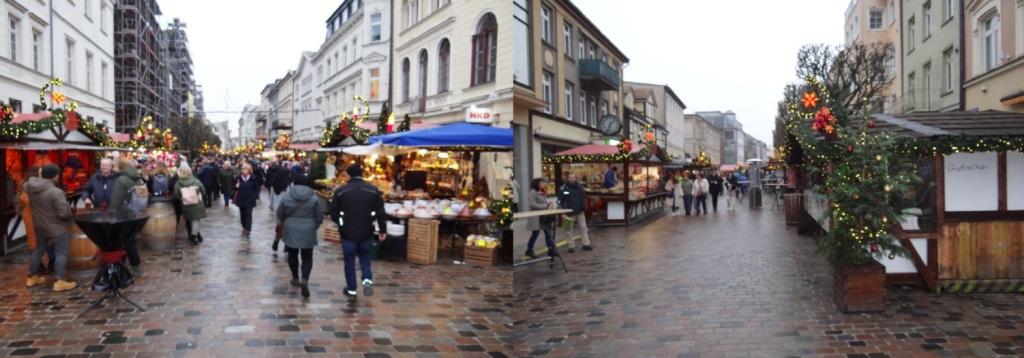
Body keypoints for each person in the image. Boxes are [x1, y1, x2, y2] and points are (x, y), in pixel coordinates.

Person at [329, 164, 386, 300]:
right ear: (362, 174)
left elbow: (333, 212)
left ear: (348, 175)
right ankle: (367, 279)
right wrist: (382, 230)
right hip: (367, 231)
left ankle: (352, 289)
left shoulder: (341, 191)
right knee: (365, 257)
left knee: (349, 261)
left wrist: (341, 223)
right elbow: (381, 212)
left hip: (348, 232)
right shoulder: (373, 190)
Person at [19, 165, 77, 292]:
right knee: (61, 253)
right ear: (54, 176)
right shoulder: (55, 192)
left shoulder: (30, 188)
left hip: (39, 226)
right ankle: (59, 281)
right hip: (56, 227)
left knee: (38, 250)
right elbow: (63, 213)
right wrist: (69, 216)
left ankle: (31, 277)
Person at [276, 174, 323, 298]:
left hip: (291, 228)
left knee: (292, 254)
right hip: (308, 228)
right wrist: (314, 226)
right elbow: (319, 215)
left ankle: (296, 278)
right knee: (307, 256)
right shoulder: (313, 197)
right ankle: (305, 279)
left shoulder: (287, 195)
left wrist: (285, 222)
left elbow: (280, 214)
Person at [109, 158, 144, 275]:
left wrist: (112, 214)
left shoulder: (121, 180)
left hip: (124, 213)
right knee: (129, 240)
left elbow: (116, 200)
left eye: (113, 165)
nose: (112, 168)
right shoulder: (135, 176)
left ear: (120, 166)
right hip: (135, 211)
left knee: (125, 241)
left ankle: (131, 267)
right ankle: (133, 265)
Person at [557, 173, 592, 252]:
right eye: (570, 177)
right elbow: (559, 200)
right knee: (567, 229)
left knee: (583, 228)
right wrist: (562, 211)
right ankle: (571, 245)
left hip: (579, 211)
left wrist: (584, 206)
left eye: (573, 177)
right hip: (567, 212)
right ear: (568, 178)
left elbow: (583, 197)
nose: (572, 179)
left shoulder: (580, 187)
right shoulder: (563, 188)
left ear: (575, 178)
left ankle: (586, 243)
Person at [173, 166, 207, 245]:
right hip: (197, 203)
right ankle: (193, 237)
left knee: (191, 220)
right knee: (195, 220)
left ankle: (197, 235)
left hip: (186, 204)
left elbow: (176, 195)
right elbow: (203, 191)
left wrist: (183, 198)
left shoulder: (178, 183)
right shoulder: (196, 181)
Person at [525, 178, 557, 259]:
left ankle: (550, 249)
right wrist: (545, 206)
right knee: (535, 234)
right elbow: (532, 204)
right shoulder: (532, 192)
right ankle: (529, 250)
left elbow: (542, 202)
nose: (544, 184)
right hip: (536, 217)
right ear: (537, 183)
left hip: (544, 216)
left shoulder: (542, 191)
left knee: (548, 232)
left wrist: (548, 204)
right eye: (542, 183)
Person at [234, 164, 261, 238]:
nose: (244, 171)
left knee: (248, 214)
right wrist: (236, 187)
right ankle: (244, 227)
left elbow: (256, 188)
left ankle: (248, 229)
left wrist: (255, 196)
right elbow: (234, 188)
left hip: (250, 199)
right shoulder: (238, 178)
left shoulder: (253, 178)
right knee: (242, 214)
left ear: (249, 170)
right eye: (243, 169)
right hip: (241, 198)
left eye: (246, 169)